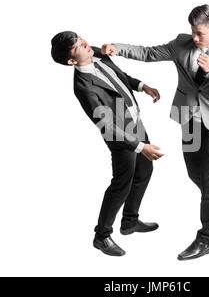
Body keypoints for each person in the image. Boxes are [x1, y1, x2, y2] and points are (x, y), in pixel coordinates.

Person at [102, 5, 209, 260]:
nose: (195, 38)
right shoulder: (182, 43)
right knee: (194, 174)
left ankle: (206, 239)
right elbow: (148, 53)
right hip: (188, 118)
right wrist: (118, 47)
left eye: (200, 33)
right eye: (192, 32)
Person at [51, 31, 163, 257]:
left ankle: (130, 222)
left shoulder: (95, 54)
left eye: (81, 39)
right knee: (121, 184)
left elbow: (119, 76)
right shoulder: (84, 86)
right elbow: (108, 127)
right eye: (78, 47)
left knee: (144, 170)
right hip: (120, 136)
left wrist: (142, 86)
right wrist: (141, 147)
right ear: (72, 61)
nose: (85, 44)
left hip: (135, 122)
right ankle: (101, 236)